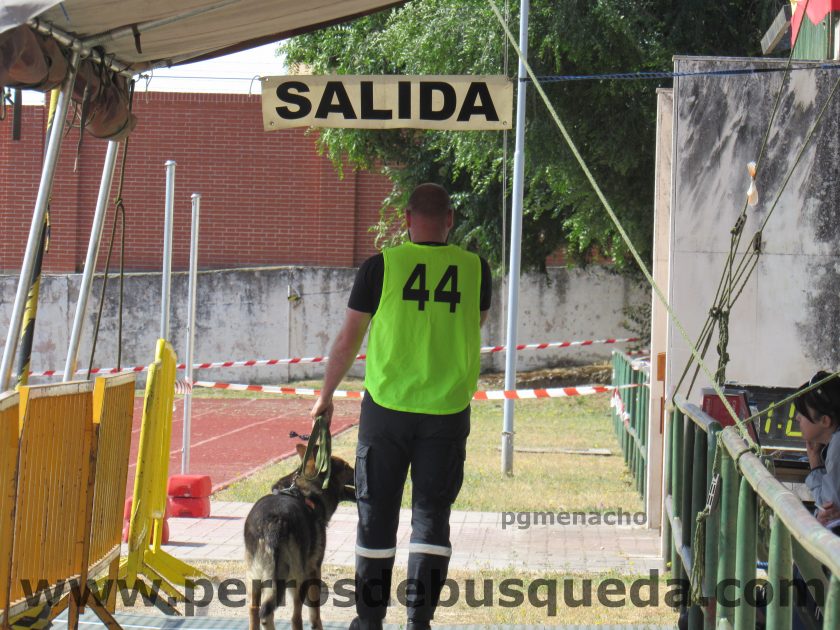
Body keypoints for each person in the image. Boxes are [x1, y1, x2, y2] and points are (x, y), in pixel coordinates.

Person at [310, 183, 492, 630]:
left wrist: (325, 394)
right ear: (450, 219)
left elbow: (350, 336)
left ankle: (369, 620)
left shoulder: (381, 266)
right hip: (447, 412)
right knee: (432, 515)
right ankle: (419, 621)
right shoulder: (476, 270)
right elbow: (476, 323)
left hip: (387, 409)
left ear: (407, 218)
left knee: (376, 514)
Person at [795, 371, 840, 528]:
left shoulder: (837, 448)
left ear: (825, 421)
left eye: (803, 413)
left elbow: (827, 509)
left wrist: (815, 465)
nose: (797, 418)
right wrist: (815, 459)